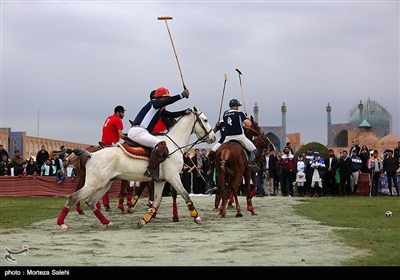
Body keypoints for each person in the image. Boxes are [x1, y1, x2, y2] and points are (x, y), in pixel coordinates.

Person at [128, 87, 190, 181]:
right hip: (138, 132)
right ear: (160, 97)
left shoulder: (158, 109)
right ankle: (150, 170)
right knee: (161, 144)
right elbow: (168, 102)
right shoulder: (154, 103)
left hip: (141, 132)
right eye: (165, 97)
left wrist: (184, 112)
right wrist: (182, 95)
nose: (166, 100)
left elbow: (171, 115)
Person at [101, 105, 127, 212]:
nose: (123, 115)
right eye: (122, 113)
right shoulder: (117, 120)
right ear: (118, 112)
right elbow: (120, 135)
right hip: (112, 144)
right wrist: (130, 137)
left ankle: (105, 203)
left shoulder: (109, 118)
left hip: (103, 143)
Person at [222, 98, 259, 171]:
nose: (238, 107)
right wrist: (247, 118)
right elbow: (248, 124)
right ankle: (250, 163)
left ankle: (214, 166)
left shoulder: (225, 114)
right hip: (239, 136)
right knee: (254, 150)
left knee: (218, 151)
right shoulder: (239, 113)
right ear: (235, 106)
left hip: (227, 138)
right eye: (238, 106)